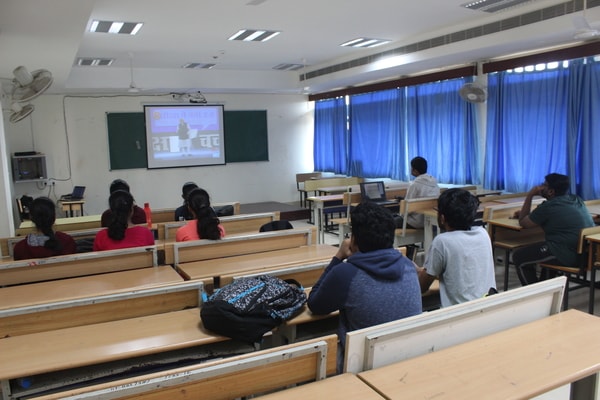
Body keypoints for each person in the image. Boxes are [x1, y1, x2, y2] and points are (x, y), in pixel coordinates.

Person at [307, 201, 422, 373]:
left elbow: (315, 304)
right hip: (407, 357)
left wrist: (338, 257)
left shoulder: (346, 273)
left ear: (353, 240)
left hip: (361, 365)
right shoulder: (408, 265)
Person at [417, 188, 496, 307]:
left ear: (442, 218)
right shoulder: (483, 233)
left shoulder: (442, 242)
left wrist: (416, 271)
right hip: (487, 305)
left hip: (460, 312)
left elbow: (422, 287)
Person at [512, 173, 594, 285]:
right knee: (546, 251)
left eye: (544, 185)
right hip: (586, 255)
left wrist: (530, 195)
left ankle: (535, 293)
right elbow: (556, 215)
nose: (540, 187)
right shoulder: (576, 199)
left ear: (551, 191)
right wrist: (529, 215)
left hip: (567, 254)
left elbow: (523, 222)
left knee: (519, 256)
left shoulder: (548, 207)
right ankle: (546, 290)